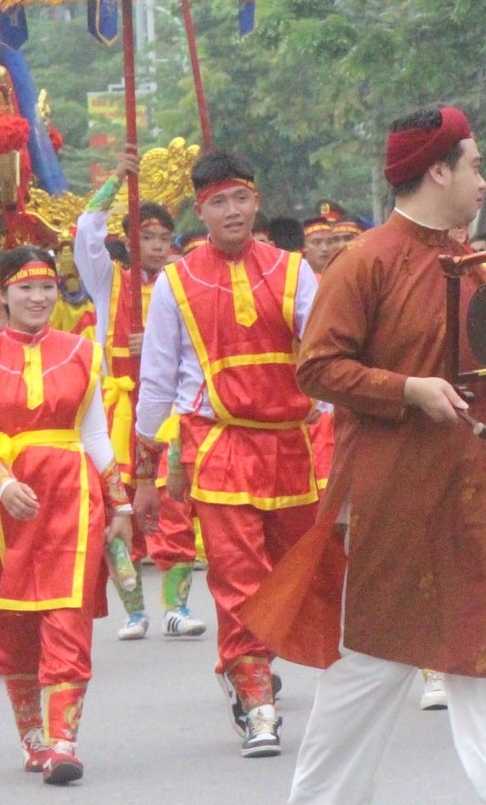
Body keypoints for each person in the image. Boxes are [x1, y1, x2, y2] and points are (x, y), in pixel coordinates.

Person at [286, 105, 486, 805]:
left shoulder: (473, 268)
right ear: (438, 170)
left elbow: (484, 373)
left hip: (479, 491)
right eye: (475, 166)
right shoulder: (366, 261)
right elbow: (316, 368)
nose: (483, 181)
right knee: (368, 667)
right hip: (397, 499)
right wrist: (406, 389)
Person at [135, 148, 319, 757]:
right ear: (201, 211)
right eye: (218, 202)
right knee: (239, 580)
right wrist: (145, 471)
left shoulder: (295, 272)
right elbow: (157, 380)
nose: (232, 211)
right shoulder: (175, 282)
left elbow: (326, 353)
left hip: (290, 446)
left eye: (241, 198)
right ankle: (258, 701)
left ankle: (250, 664)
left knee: (291, 577)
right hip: (218, 444)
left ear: (256, 202)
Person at [0, 247, 129, 783]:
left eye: (47, 287)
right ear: (3, 292)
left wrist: (120, 502)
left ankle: (63, 743)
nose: (37, 298)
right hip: (4, 503)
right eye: (25, 288)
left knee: (67, 614)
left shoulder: (84, 352)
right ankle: (32, 736)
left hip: (72, 496)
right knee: (12, 624)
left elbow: (95, 434)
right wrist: (3, 482)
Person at [75, 144, 202, 641]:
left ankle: (176, 606)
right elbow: (86, 231)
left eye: (164, 238)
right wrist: (114, 181)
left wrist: (153, 343)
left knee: (174, 504)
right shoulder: (108, 280)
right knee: (117, 505)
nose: (156, 245)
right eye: (146, 236)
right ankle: (133, 611)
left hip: (167, 412)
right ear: (128, 241)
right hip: (116, 410)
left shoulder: (183, 283)